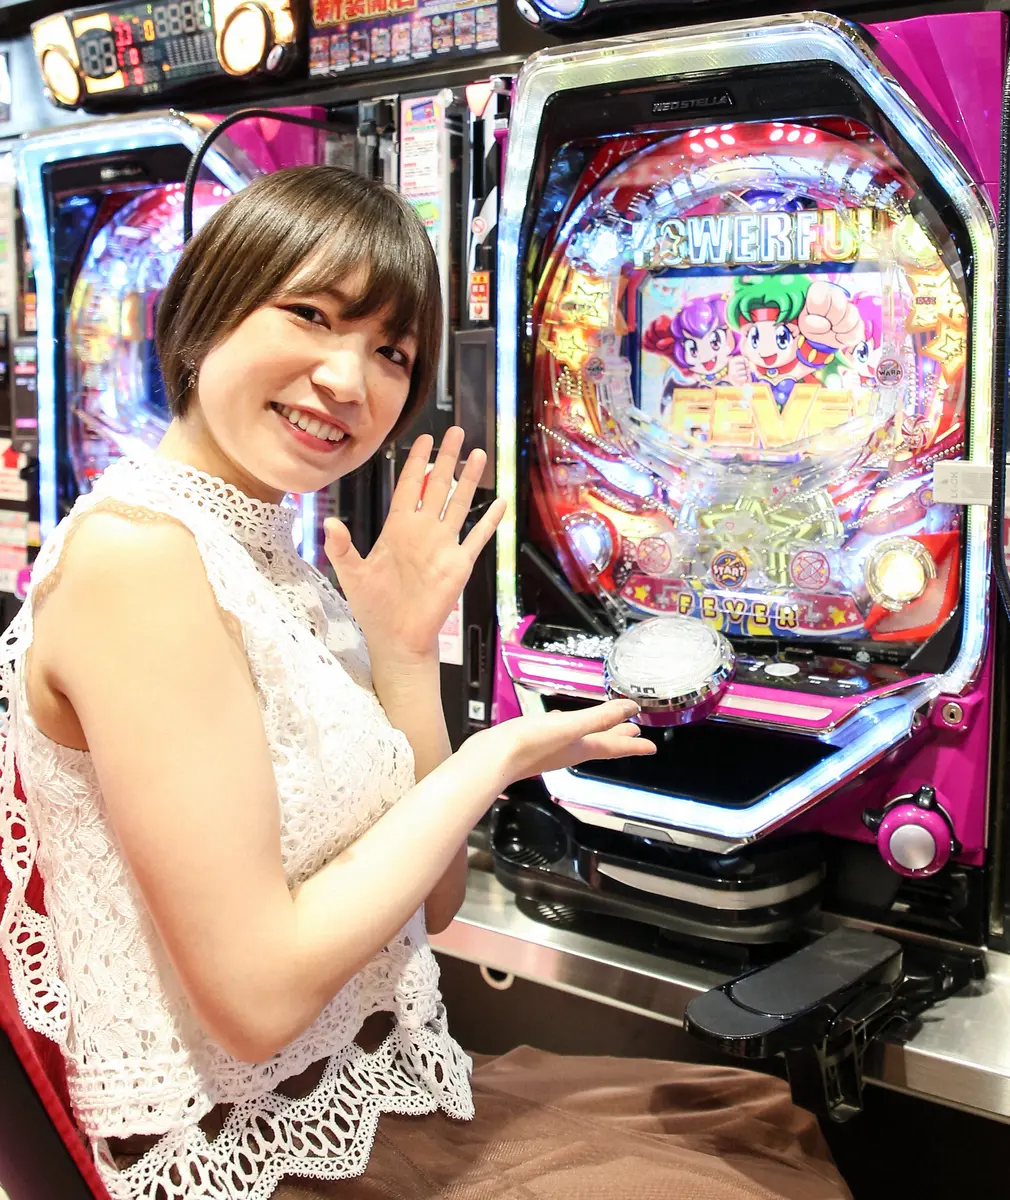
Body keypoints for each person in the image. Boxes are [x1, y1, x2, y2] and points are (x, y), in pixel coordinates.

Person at [0, 166, 851, 1200]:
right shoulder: (139, 560)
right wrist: (493, 756)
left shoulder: (269, 560)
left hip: (363, 1090)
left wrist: (403, 653)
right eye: (311, 315)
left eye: (390, 353)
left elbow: (431, 900)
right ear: (204, 308)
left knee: (753, 1118)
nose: (347, 380)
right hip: (251, 1154)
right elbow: (256, 1003)